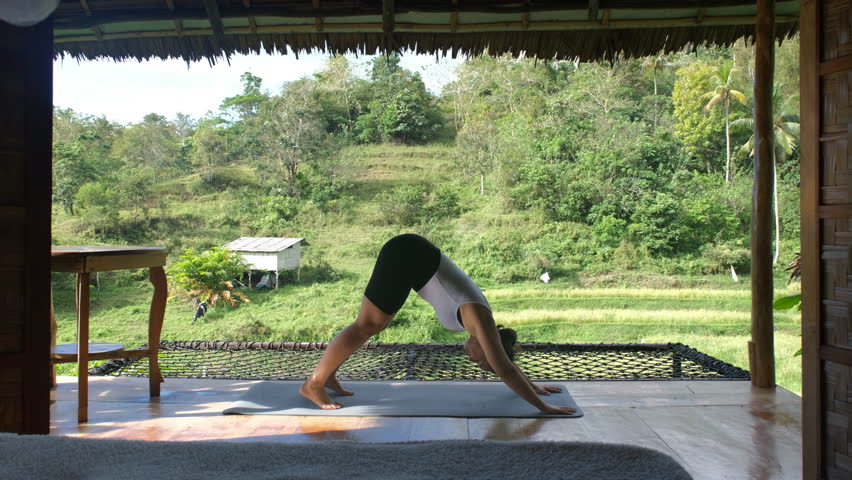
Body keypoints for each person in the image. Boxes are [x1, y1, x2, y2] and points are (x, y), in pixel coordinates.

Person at [299, 233, 576, 415]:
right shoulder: (479, 319)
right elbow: (504, 369)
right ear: (488, 345)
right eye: (480, 360)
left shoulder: (482, 326)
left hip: (412, 259)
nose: (473, 359)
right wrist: (542, 407)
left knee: (371, 325)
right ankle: (314, 383)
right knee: (368, 325)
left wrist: (535, 385)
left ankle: (328, 375)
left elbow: (504, 362)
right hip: (406, 255)